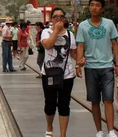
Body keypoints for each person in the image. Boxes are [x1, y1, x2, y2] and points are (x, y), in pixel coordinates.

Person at [76, 0, 118, 137]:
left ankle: (111, 131)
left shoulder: (109, 24)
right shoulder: (83, 25)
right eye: (92, 5)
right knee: (94, 101)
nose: (94, 7)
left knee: (108, 99)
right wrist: (78, 64)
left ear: (102, 8)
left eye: (97, 5)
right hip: (90, 67)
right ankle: (99, 131)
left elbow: (115, 44)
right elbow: (80, 46)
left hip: (107, 66)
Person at [40, 8, 77, 137]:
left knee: (64, 104)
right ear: (51, 19)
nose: (58, 19)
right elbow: (48, 45)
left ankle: (63, 133)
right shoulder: (46, 32)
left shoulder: (70, 35)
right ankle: (49, 127)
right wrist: (55, 31)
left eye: (61, 16)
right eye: (55, 16)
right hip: (49, 74)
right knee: (49, 104)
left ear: (64, 18)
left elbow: (73, 53)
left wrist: (81, 59)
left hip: (66, 75)